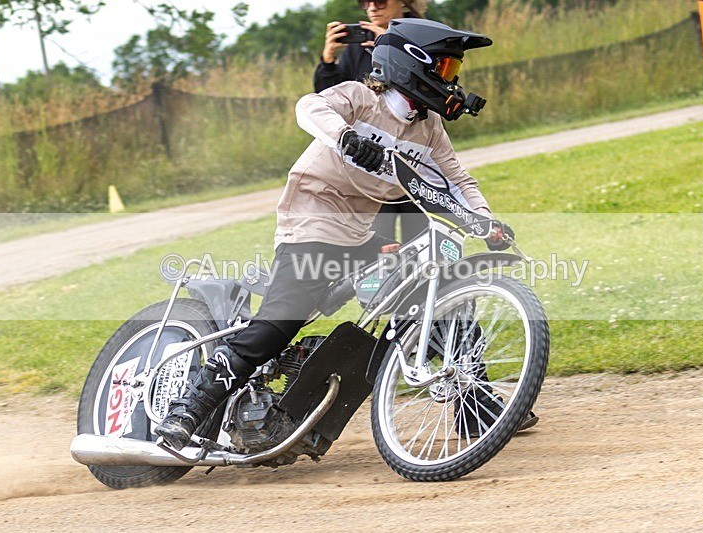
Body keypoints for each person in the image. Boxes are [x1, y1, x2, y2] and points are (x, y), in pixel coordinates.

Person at [156, 19, 535, 451]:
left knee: (423, 281)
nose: (451, 82)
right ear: (413, 64)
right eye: (446, 69)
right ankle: (188, 408)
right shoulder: (360, 97)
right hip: (312, 218)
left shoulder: (429, 128)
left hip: (357, 232)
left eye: (453, 73)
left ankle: (474, 400)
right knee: (280, 321)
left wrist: (486, 220)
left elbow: (458, 181)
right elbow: (308, 107)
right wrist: (346, 137)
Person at [315, 0, 428, 244]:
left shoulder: (423, 34)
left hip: (415, 160)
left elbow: (430, 85)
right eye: (365, 2)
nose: (372, 8)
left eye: (380, 1)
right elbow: (330, 101)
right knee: (379, 248)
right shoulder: (358, 48)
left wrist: (392, 45)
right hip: (372, 162)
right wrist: (328, 60)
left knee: (422, 246)